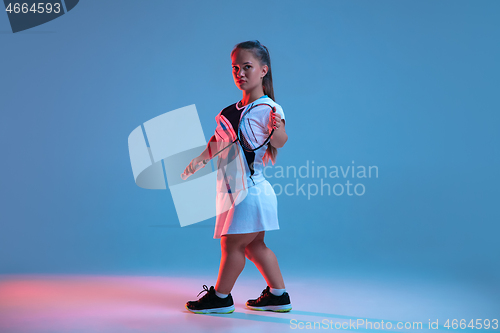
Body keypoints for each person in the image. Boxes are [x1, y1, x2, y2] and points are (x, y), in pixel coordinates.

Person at [183, 40, 291, 314]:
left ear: (263, 70)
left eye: (247, 67)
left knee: (232, 245)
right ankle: (279, 296)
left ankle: (220, 298)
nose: (240, 73)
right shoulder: (229, 111)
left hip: (250, 191)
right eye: (235, 68)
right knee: (255, 246)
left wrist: (277, 130)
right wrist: (199, 160)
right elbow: (219, 141)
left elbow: (280, 141)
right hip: (238, 191)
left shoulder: (269, 109)